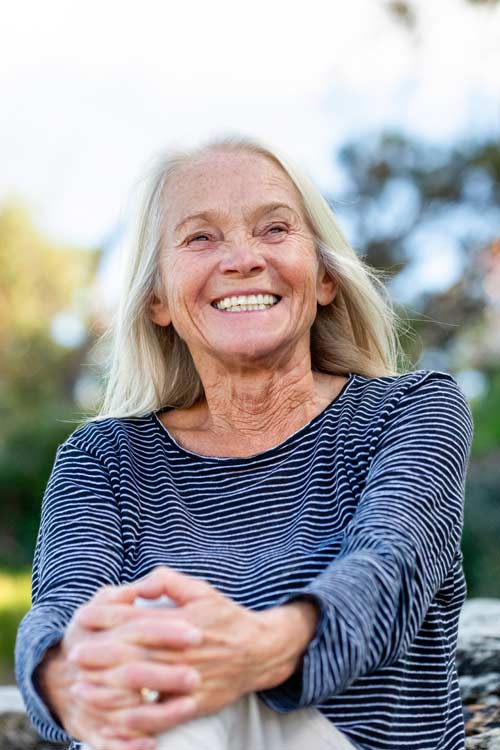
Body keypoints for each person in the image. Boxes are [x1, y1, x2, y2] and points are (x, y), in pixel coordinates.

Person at [15, 135, 473, 750]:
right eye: (201, 237)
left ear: (325, 278)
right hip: (159, 730)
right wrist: (66, 683)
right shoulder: (103, 458)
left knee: (165, 649)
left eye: (275, 229)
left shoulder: (411, 411)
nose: (242, 259)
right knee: (148, 647)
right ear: (157, 300)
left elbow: (388, 571)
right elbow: (62, 613)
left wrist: (256, 650)